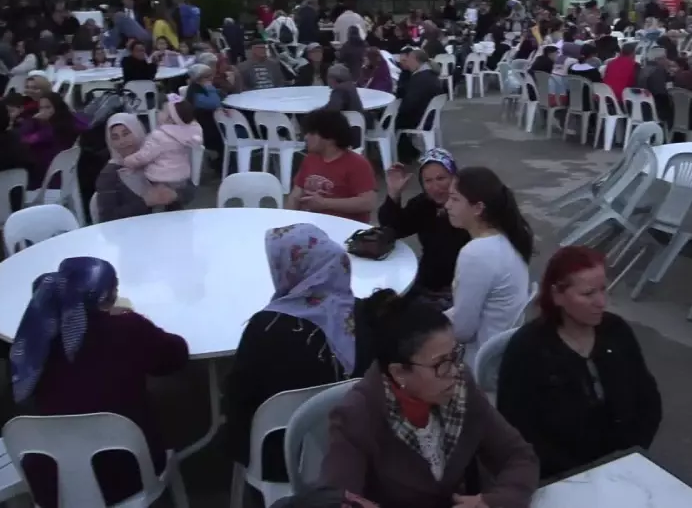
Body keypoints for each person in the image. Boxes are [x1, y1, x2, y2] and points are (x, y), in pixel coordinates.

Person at [320, 290, 540, 508]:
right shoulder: (357, 416)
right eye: (441, 363)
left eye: (455, 355)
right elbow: (341, 501)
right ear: (399, 373)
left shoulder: (461, 386)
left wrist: (493, 501)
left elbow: (518, 456)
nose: (455, 370)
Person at [11, 257, 190, 508]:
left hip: (52, 478)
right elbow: (175, 356)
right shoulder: (127, 328)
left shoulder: (36, 336)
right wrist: (135, 321)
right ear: (105, 295)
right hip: (128, 472)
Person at [224, 224, 375, 483]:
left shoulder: (265, 328)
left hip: (279, 459)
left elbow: (238, 392)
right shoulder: (365, 317)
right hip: (353, 447)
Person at [497, 246, 662, 479]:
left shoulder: (617, 331)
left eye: (603, 290)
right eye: (588, 294)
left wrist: (631, 455)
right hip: (559, 477)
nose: (601, 302)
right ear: (557, 295)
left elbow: (648, 399)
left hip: (624, 467)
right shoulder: (528, 349)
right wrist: (581, 474)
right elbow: (519, 429)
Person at [443, 167, 532, 358]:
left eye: (455, 199)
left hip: (480, 363)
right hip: (502, 353)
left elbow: (462, 331)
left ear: (478, 208)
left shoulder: (477, 253)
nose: (447, 205)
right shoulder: (508, 238)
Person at [380, 149, 470, 308]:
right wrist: (394, 194)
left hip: (461, 288)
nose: (435, 187)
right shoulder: (422, 204)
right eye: (428, 181)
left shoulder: (468, 206)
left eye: (441, 178)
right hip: (427, 281)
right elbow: (392, 229)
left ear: (454, 177)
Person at [288, 108, 377, 223]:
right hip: (312, 225)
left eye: (312, 133)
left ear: (329, 137)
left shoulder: (357, 164)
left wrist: (324, 204)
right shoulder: (310, 159)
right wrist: (288, 221)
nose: (306, 137)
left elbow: (368, 203)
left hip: (344, 228)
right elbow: (295, 195)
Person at [95, 113, 185, 222]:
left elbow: (188, 192)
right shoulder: (109, 175)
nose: (122, 142)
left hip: (168, 227)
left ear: (137, 132)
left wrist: (174, 195)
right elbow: (107, 219)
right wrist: (145, 202)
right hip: (130, 234)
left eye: (126, 134)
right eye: (115, 138)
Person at [119, 97, 201, 207]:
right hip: (181, 178)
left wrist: (128, 161)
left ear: (170, 119)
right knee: (174, 205)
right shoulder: (188, 132)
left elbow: (144, 156)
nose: (158, 112)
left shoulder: (159, 137)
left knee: (135, 179)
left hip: (161, 178)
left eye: (162, 111)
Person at [18, 92, 86, 189]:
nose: (43, 111)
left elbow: (26, 140)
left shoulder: (52, 129)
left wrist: (32, 121)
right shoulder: (68, 120)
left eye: (48, 107)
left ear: (57, 107)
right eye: (41, 108)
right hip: (65, 173)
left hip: (48, 176)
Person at [395, 49, 445, 164]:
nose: (407, 63)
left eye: (409, 60)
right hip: (428, 116)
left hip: (419, 118)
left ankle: (403, 154)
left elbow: (409, 105)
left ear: (416, 61)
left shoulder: (420, 78)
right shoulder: (431, 74)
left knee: (391, 121)